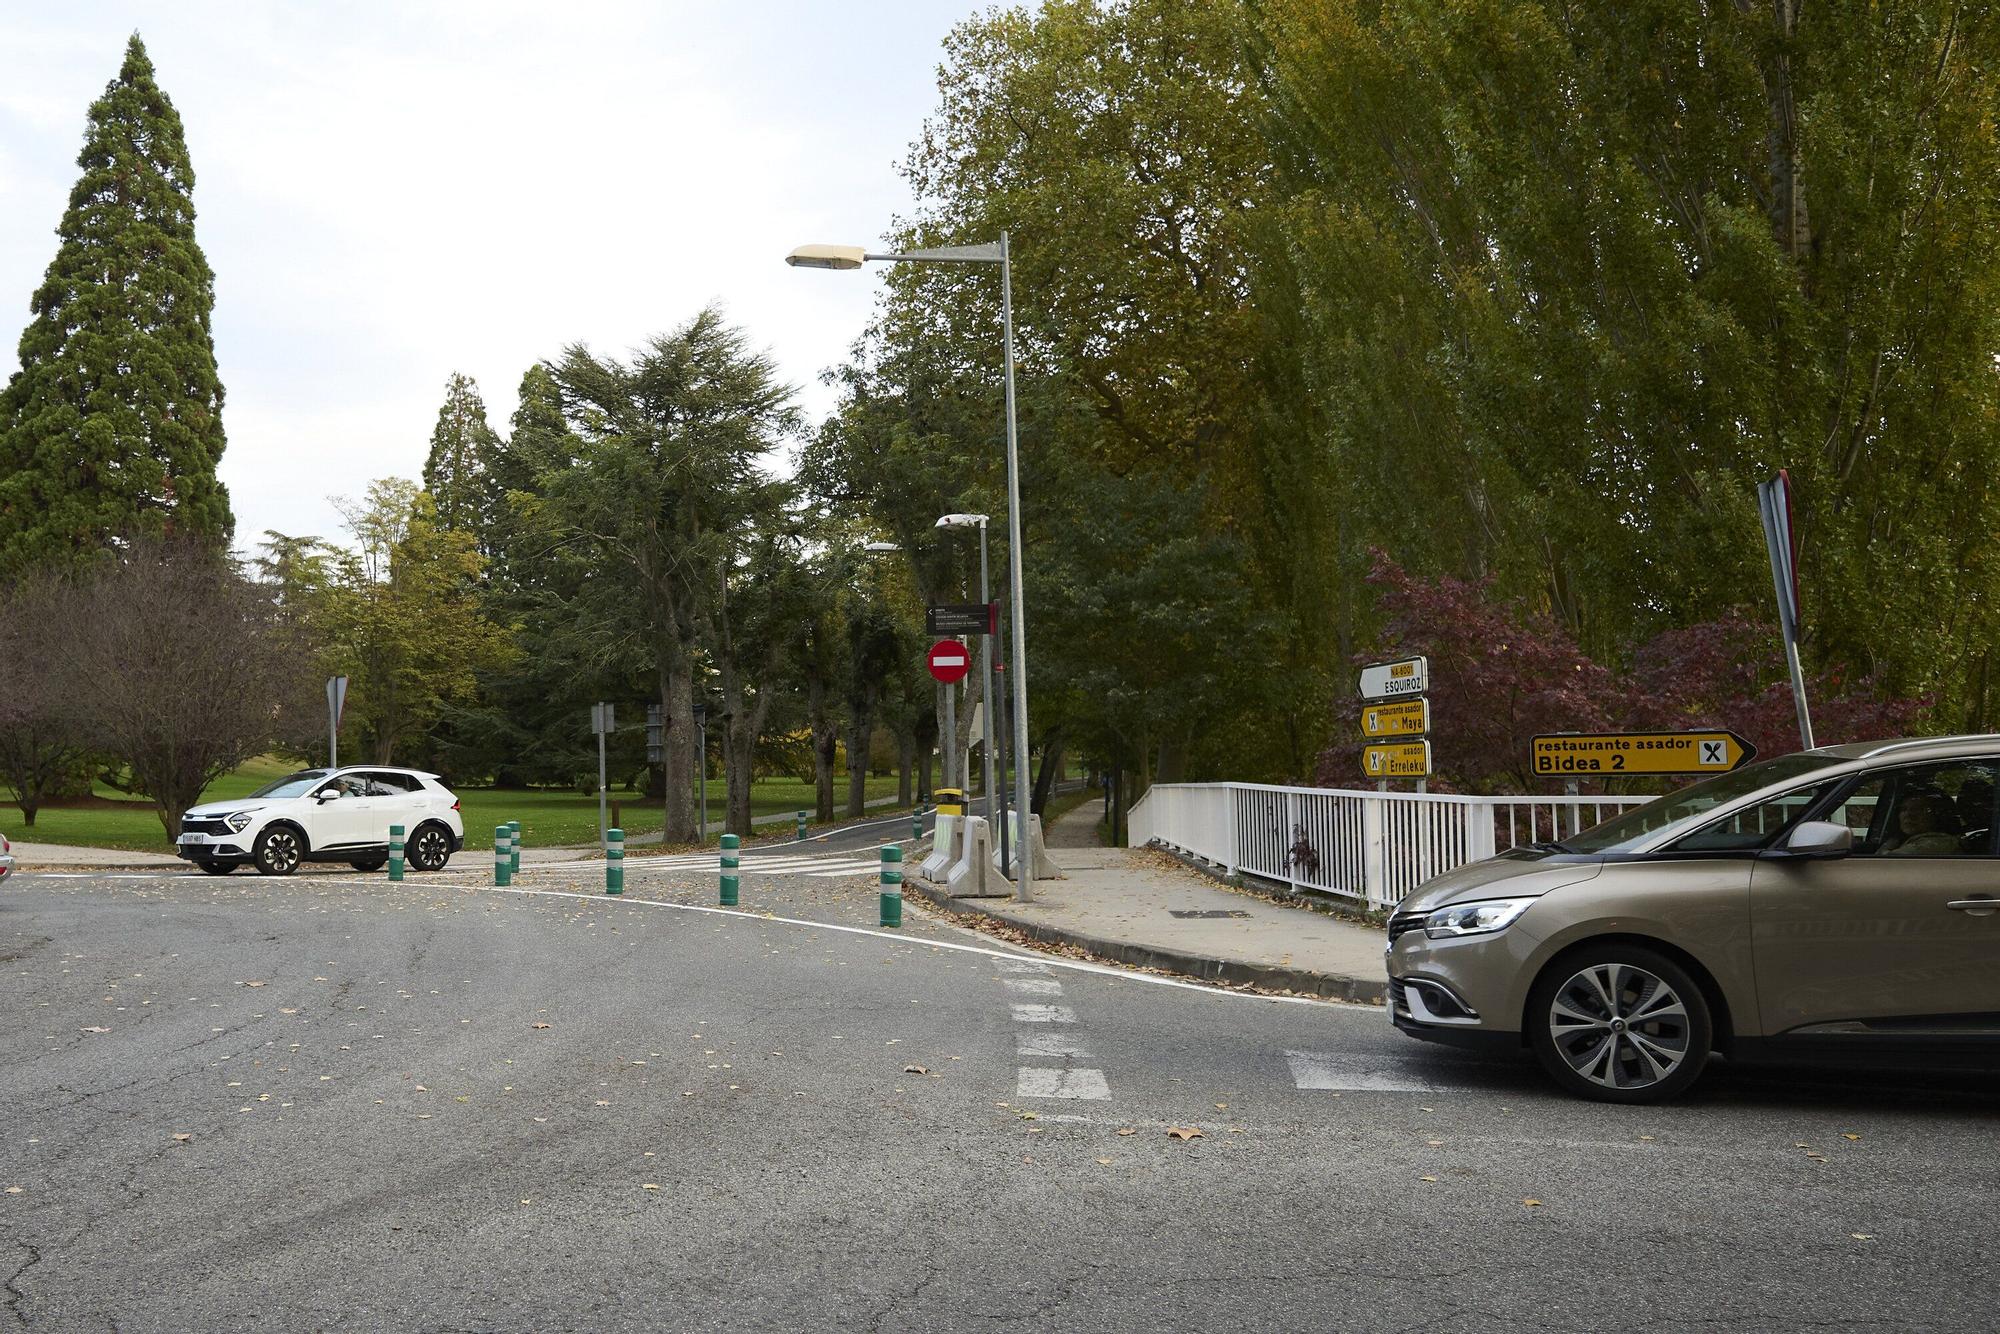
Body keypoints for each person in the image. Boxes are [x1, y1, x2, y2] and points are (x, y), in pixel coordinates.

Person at [1882, 790, 1961, 856]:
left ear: (1938, 814)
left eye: (1917, 809)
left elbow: (1884, 863)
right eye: (1903, 809)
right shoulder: (1907, 840)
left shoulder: (1936, 844)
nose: (1908, 814)